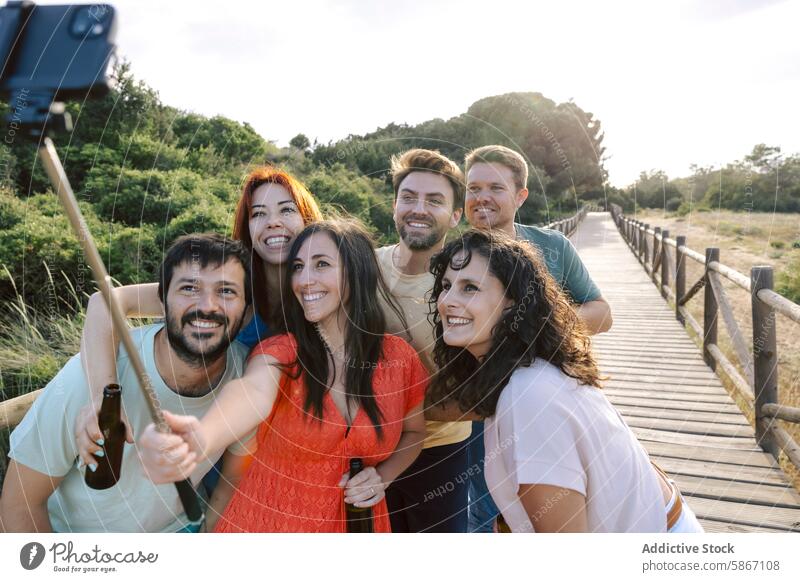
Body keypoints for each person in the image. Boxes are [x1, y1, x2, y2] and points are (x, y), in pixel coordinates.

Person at [138, 219, 428, 532]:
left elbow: (414, 433)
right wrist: (203, 437)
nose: (304, 280)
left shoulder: (400, 358)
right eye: (298, 267)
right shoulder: (280, 352)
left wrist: (382, 476)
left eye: (321, 265)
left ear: (358, 273)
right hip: (264, 522)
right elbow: (252, 393)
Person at [427, 229, 702, 532]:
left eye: (470, 288)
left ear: (513, 303)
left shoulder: (529, 396)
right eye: (446, 286)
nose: (447, 301)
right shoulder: (531, 367)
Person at [72, 166, 323, 493]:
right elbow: (106, 302)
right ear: (247, 228)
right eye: (258, 213)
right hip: (219, 455)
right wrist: (101, 400)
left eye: (286, 209)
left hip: (298, 463)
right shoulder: (229, 293)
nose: (273, 221)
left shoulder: (326, 290)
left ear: (308, 218)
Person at [0, 234, 252, 532]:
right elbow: (19, 506)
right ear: (162, 301)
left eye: (226, 291)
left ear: (246, 309)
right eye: (188, 288)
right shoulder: (87, 379)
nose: (207, 305)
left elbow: (234, 476)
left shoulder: (243, 374)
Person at [462, 144, 612, 531]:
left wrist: (535, 329)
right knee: (482, 515)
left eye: (495, 187)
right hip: (480, 415)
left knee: (553, 516)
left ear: (521, 195)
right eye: (472, 187)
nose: (481, 197)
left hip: (551, 404)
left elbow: (601, 312)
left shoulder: (552, 247)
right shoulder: (456, 255)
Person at [376, 148, 472, 532]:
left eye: (434, 200)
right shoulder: (364, 264)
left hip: (438, 450)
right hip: (365, 449)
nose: (419, 208)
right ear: (395, 205)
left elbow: (481, 388)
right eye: (409, 197)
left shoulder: (465, 286)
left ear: (455, 215)